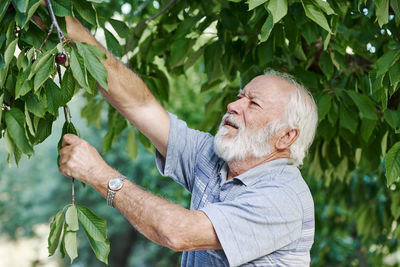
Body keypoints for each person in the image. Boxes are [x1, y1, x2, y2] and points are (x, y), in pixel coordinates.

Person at [59, 16, 318, 267]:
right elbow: (140, 105)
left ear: (286, 136)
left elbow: (177, 232)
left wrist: (97, 173)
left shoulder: (282, 198)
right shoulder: (215, 159)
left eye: (253, 103)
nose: (233, 105)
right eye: (240, 96)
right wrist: (65, 24)